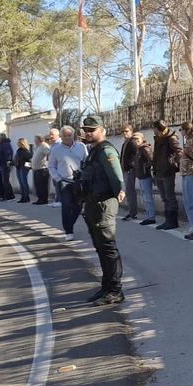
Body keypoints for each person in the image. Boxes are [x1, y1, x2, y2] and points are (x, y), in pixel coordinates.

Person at [77, 115, 126, 306]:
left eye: (92, 130)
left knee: (107, 246)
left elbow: (116, 175)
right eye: (86, 130)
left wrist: (120, 190)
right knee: (100, 246)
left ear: (102, 130)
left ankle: (115, 290)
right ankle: (107, 287)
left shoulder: (105, 150)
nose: (88, 133)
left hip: (104, 203)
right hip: (93, 203)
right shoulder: (94, 151)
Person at [48, 126, 89, 241]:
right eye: (64, 135)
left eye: (69, 135)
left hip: (79, 182)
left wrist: (85, 176)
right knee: (66, 206)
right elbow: (51, 166)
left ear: (73, 135)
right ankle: (68, 231)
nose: (67, 138)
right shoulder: (55, 150)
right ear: (61, 136)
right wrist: (58, 179)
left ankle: (70, 224)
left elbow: (86, 161)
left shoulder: (81, 146)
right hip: (64, 182)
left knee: (78, 206)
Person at [151, 120, 181, 230]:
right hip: (159, 171)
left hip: (168, 172)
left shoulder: (171, 138)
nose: (153, 130)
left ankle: (173, 221)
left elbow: (179, 151)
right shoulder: (158, 138)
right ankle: (167, 220)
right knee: (164, 198)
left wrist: (173, 163)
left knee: (170, 197)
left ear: (158, 129)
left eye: (154, 128)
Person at [132, 132, 157, 225]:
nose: (136, 141)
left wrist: (145, 166)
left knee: (148, 197)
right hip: (141, 176)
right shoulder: (139, 149)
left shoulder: (145, 148)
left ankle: (151, 217)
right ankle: (149, 215)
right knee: (145, 197)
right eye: (134, 140)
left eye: (137, 139)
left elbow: (152, 160)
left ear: (142, 139)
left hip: (146, 176)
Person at [120, 124, 139, 221]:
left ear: (131, 131)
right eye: (123, 131)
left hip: (130, 170)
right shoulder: (125, 143)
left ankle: (133, 213)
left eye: (126, 131)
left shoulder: (132, 142)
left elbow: (136, 155)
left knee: (130, 191)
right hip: (125, 170)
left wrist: (132, 166)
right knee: (128, 191)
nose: (124, 133)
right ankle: (131, 212)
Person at [31, 134, 51, 204]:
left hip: (42, 169)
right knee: (38, 185)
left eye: (35, 139)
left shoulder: (44, 146)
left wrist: (46, 162)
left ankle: (44, 200)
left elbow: (49, 154)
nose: (34, 141)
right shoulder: (38, 146)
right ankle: (40, 199)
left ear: (39, 139)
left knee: (42, 186)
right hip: (36, 169)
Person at [0, 133, 14, 200]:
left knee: (5, 181)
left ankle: (9, 196)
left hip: (5, 165)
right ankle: (9, 195)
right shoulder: (2, 144)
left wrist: (8, 161)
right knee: (5, 181)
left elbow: (8, 153)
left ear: (2, 138)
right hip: (2, 164)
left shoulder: (6, 144)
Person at [13, 137, 32, 202]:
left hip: (23, 168)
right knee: (21, 183)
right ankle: (23, 197)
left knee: (24, 183)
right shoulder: (19, 150)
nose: (17, 143)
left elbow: (29, 160)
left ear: (22, 143)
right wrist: (13, 163)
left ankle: (26, 197)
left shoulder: (26, 151)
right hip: (18, 167)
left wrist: (27, 168)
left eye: (19, 142)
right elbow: (16, 159)